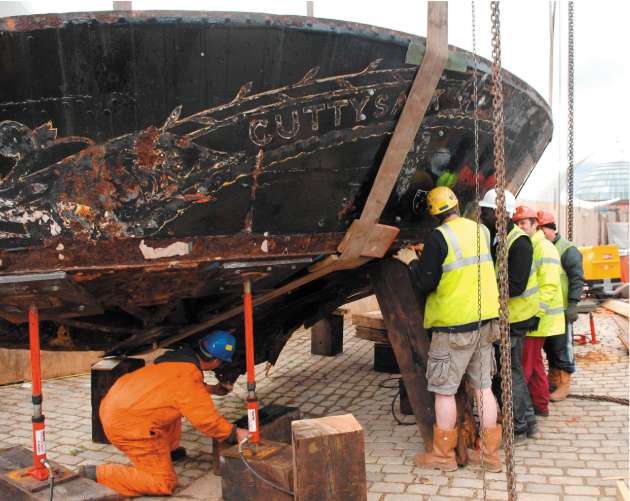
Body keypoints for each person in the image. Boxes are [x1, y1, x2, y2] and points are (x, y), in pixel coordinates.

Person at [394, 186, 502, 473]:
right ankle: (489, 455)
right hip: (485, 321)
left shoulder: (438, 237)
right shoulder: (481, 231)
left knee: (444, 391)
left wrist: (411, 261)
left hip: (454, 326)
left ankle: (443, 456)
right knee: (483, 387)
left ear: (433, 213)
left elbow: (426, 282)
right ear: (456, 205)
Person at [78, 331, 248, 497]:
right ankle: (97, 474)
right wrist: (234, 433)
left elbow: (179, 390)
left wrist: (212, 389)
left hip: (113, 409)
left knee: (175, 407)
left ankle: (169, 451)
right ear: (217, 361)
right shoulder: (188, 379)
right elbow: (206, 421)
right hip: (130, 428)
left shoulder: (176, 362)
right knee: (163, 483)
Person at [478, 189, 539, 441]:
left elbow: (516, 285)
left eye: (486, 211)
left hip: (515, 318)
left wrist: (483, 288)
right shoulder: (498, 238)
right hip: (506, 317)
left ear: (499, 213)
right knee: (507, 369)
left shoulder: (519, 243)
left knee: (508, 371)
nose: (481, 214)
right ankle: (522, 418)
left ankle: (521, 424)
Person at [512, 206, 565, 417]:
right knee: (534, 364)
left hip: (539, 317)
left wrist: (537, 314)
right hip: (536, 316)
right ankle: (540, 405)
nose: (520, 227)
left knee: (525, 366)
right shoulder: (533, 245)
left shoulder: (542, 247)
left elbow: (549, 285)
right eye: (517, 223)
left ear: (536, 225)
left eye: (524, 223)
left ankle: (521, 411)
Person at [537, 210, 584, 401]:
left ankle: (565, 383)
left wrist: (573, 304)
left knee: (562, 348)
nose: (541, 234)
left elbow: (577, 278)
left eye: (543, 229)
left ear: (551, 229)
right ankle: (554, 378)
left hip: (563, 310)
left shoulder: (567, 249)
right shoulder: (541, 246)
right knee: (550, 347)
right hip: (548, 311)